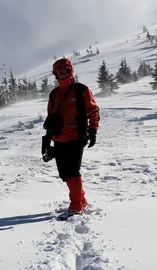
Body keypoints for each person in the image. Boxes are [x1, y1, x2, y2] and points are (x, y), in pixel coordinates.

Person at [42, 57, 100, 216]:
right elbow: (51, 117)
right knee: (65, 174)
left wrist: (93, 131)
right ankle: (82, 200)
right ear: (55, 74)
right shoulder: (53, 94)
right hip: (59, 139)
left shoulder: (81, 90)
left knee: (73, 171)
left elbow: (93, 111)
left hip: (76, 137)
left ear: (70, 71)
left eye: (64, 71)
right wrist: (48, 138)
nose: (62, 74)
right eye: (59, 72)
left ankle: (76, 206)